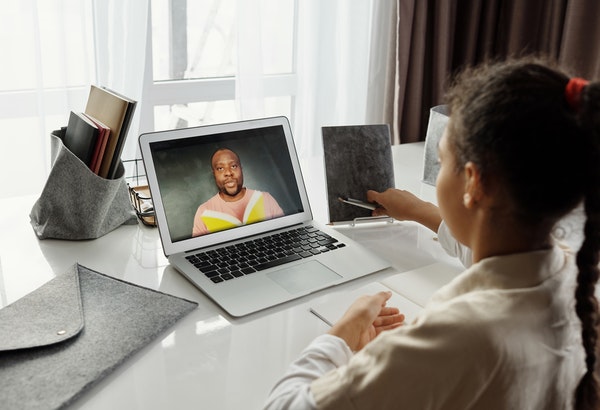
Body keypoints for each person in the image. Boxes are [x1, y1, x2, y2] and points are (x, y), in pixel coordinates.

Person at [263, 58, 600, 409]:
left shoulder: (456, 340)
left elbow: (285, 406)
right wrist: (417, 210)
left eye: (442, 162)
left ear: (473, 181)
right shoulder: (573, 279)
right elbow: (496, 250)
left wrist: (341, 334)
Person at [192, 148, 284, 237]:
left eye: (233, 166)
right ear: (214, 174)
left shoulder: (265, 199)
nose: (228, 172)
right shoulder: (203, 212)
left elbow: (283, 235)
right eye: (220, 168)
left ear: (241, 168)